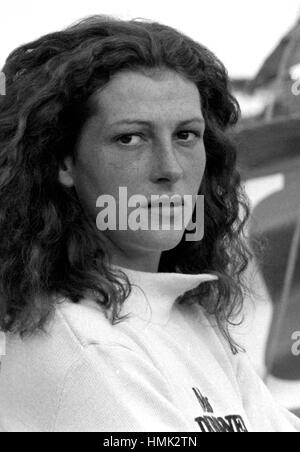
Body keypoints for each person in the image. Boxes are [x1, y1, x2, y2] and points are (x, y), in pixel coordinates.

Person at [0, 15, 299, 433]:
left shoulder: (187, 316)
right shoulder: (84, 344)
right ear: (63, 160)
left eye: (186, 135)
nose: (169, 169)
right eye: (130, 138)